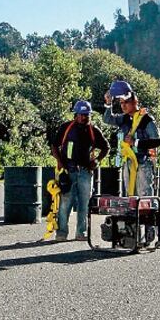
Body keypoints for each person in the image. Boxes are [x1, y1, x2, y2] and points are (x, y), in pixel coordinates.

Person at [101, 81, 160, 245]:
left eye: (126, 102)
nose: (123, 106)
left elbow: (157, 141)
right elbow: (107, 119)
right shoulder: (124, 119)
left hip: (143, 163)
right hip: (128, 164)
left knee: (146, 199)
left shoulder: (146, 119)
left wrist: (136, 142)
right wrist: (108, 103)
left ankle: (158, 233)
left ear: (135, 102)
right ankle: (138, 235)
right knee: (132, 200)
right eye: (121, 103)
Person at [50, 100, 109, 240]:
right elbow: (54, 146)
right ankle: (61, 233)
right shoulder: (66, 128)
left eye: (86, 115)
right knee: (65, 203)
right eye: (81, 115)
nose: (84, 117)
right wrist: (60, 163)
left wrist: (96, 161)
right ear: (75, 115)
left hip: (85, 173)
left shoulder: (93, 131)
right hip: (68, 171)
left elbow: (106, 147)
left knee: (84, 203)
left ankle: (81, 233)